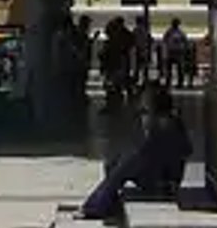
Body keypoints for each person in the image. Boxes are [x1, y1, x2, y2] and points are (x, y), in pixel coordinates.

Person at [78, 84, 192, 220]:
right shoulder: (167, 121)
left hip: (164, 183)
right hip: (160, 175)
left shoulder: (165, 125)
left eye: (144, 109)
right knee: (116, 162)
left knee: (126, 165)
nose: (143, 115)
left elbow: (150, 153)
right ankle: (102, 203)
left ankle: (95, 206)